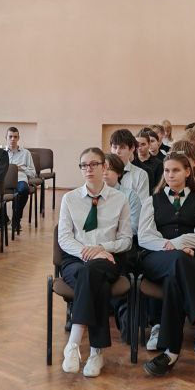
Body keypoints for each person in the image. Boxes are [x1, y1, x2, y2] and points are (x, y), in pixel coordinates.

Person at [141, 152, 195, 374]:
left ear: (188, 172)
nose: (170, 175)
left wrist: (179, 243)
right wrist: (171, 247)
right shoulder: (152, 200)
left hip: (193, 259)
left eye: (176, 170)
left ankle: (170, 353)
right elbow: (145, 237)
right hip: (156, 258)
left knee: (174, 279)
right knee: (177, 260)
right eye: (167, 170)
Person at [58, 148, 132, 378]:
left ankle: (73, 344)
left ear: (105, 167)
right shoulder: (69, 198)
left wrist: (101, 248)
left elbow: (126, 240)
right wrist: (88, 253)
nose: (88, 169)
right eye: (84, 165)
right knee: (93, 280)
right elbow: (64, 238)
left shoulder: (120, 199)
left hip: (108, 259)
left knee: (92, 273)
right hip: (75, 260)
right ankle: (95, 352)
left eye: (93, 164)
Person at [108, 128, 151, 211]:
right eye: (114, 147)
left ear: (132, 149)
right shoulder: (102, 172)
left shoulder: (140, 174)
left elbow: (143, 205)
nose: (117, 151)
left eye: (122, 147)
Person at [5, 126, 37, 235]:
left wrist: (21, 168)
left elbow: (33, 173)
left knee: (23, 190)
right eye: (10, 136)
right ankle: (3, 218)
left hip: (20, 179)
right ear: (6, 138)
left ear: (18, 138)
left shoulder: (26, 153)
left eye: (15, 137)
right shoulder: (2, 153)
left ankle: (16, 218)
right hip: (5, 181)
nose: (12, 139)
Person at [104, 153, 143, 234]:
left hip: (123, 238)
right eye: (102, 169)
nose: (105, 173)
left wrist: (109, 233)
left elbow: (134, 226)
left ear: (119, 173)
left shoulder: (131, 195)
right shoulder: (93, 195)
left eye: (109, 169)